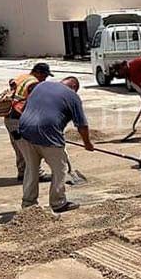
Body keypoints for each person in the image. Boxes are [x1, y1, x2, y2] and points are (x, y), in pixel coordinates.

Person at [18, 77, 94, 213]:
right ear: (74, 87)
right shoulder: (72, 96)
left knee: (31, 168)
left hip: (25, 131)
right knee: (60, 169)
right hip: (49, 135)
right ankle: (58, 203)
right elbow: (82, 125)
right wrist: (87, 144)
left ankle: (28, 205)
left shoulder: (41, 86)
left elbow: (24, 108)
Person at [5, 62, 52, 182]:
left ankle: (22, 172)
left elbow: (12, 83)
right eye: (44, 76)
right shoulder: (34, 84)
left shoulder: (22, 77)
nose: (44, 79)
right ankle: (37, 174)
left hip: (10, 119)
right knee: (31, 148)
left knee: (20, 148)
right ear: (38, 72)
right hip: (20, 119)